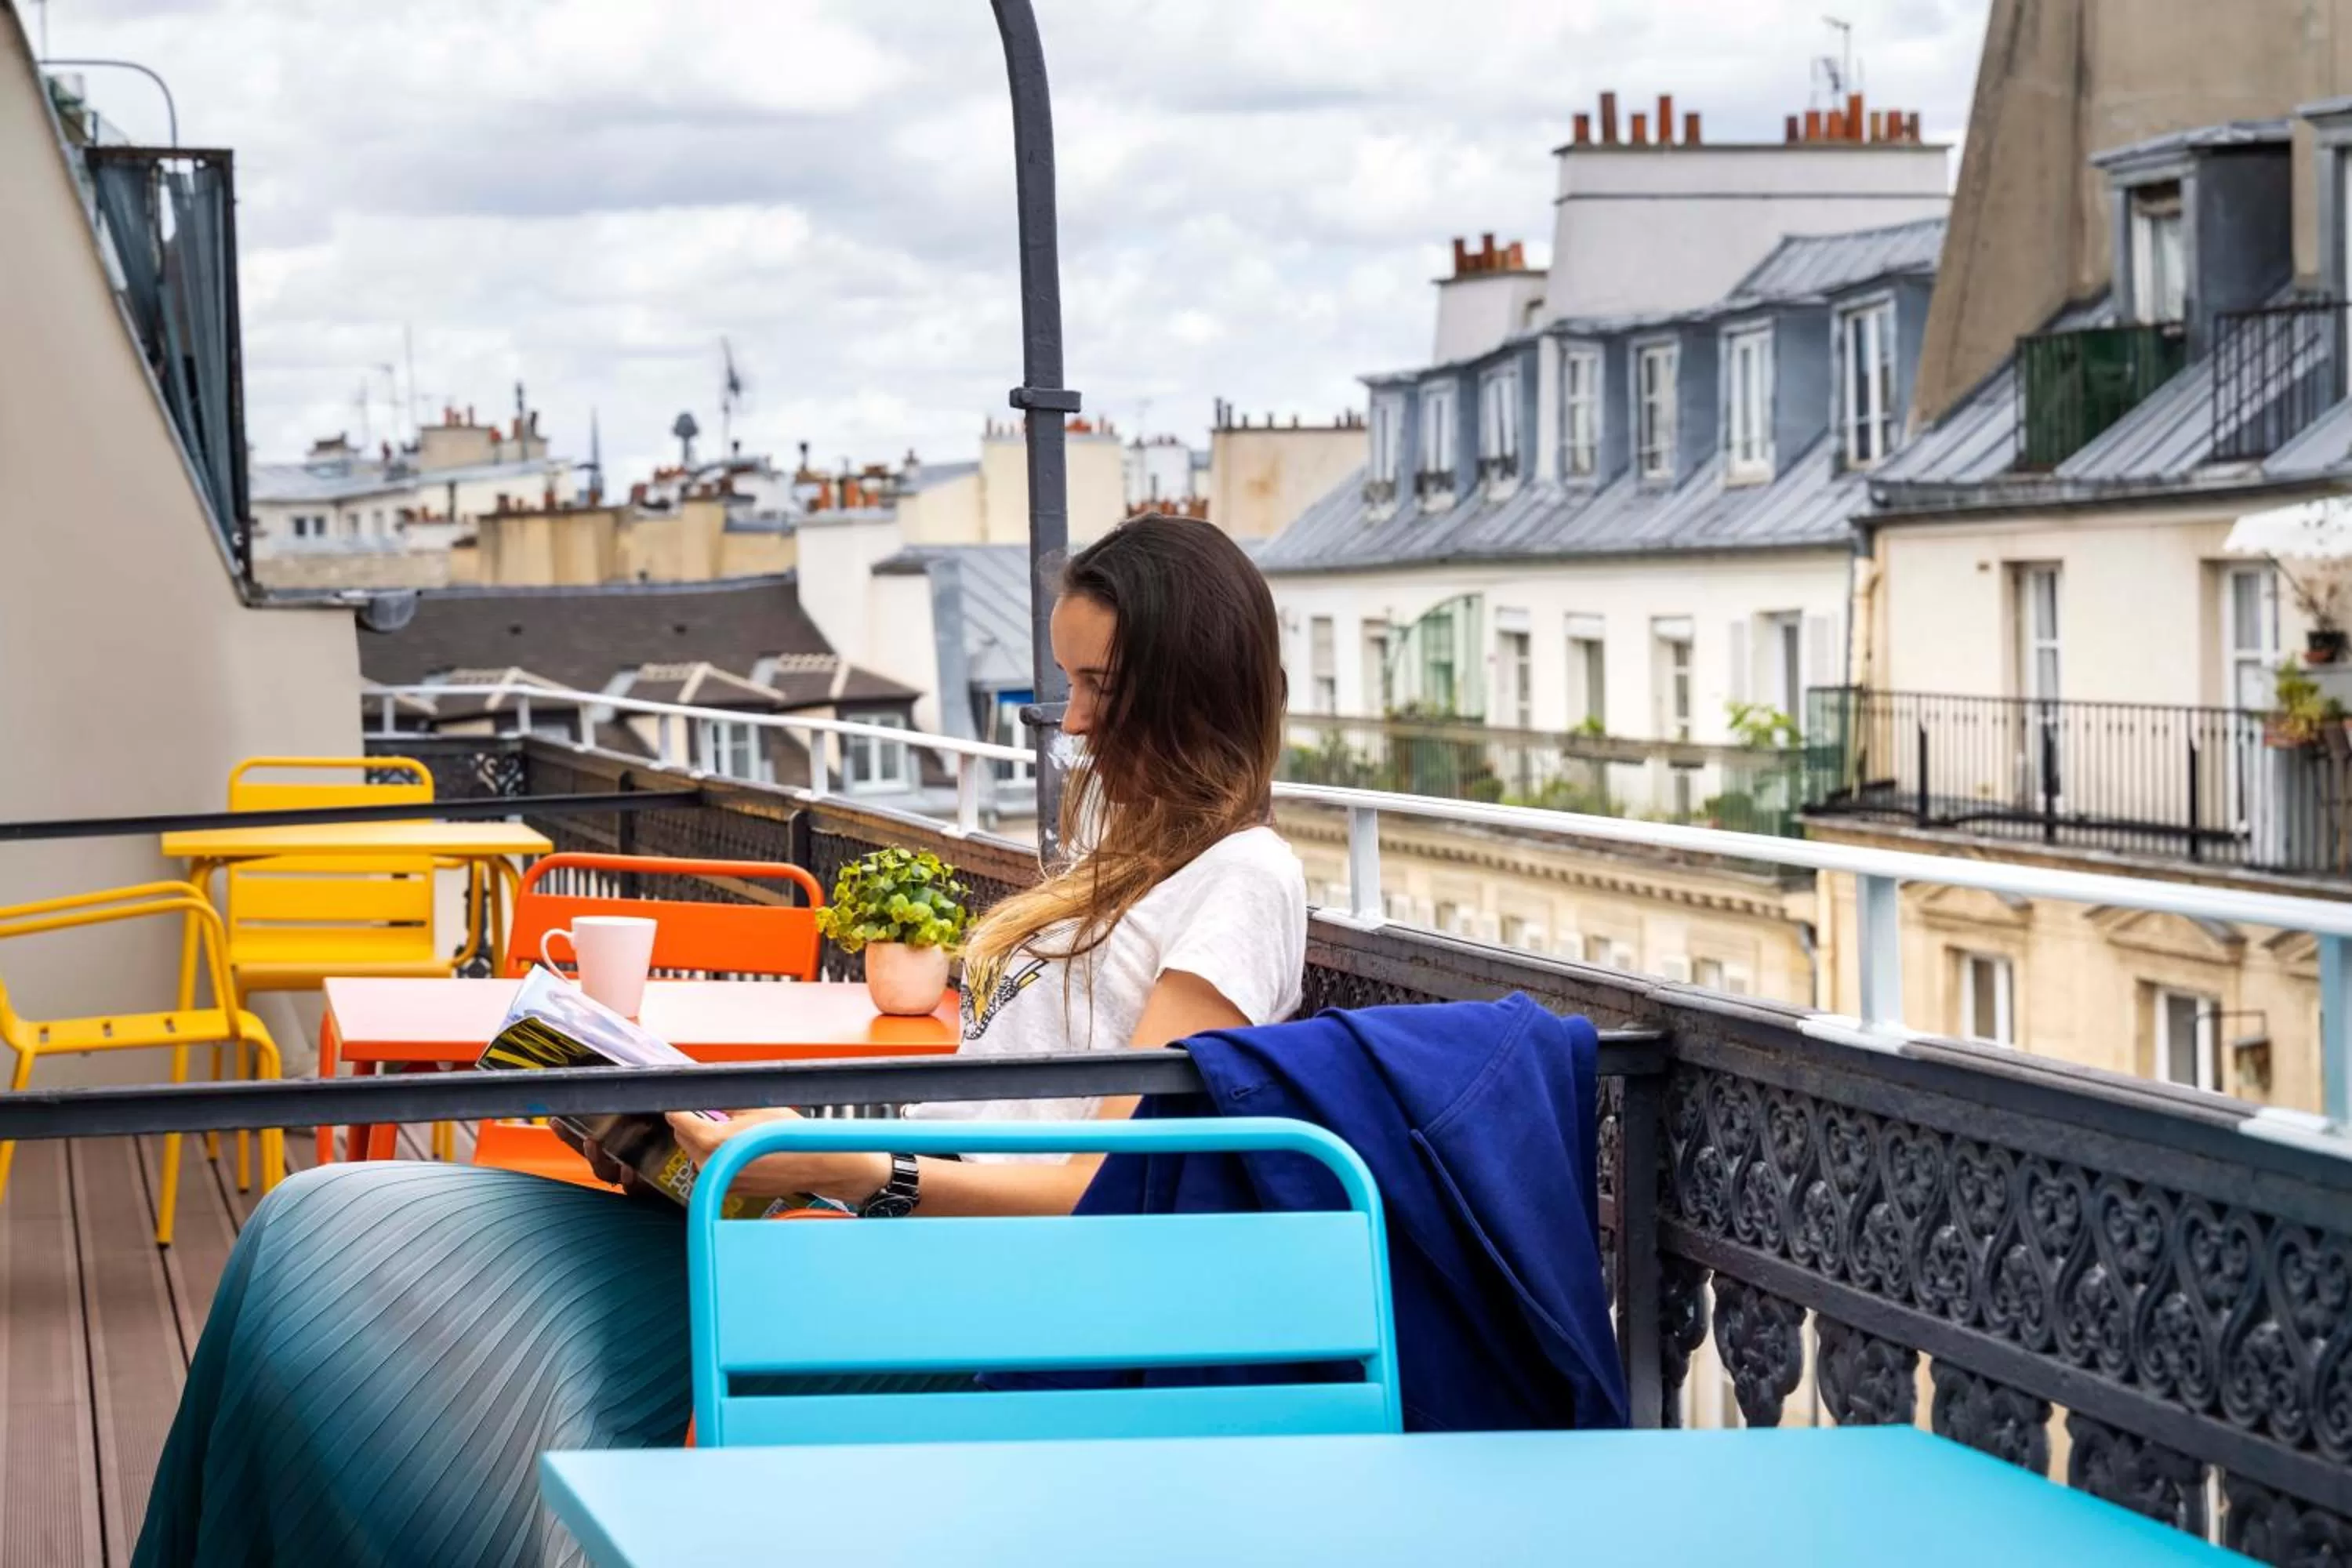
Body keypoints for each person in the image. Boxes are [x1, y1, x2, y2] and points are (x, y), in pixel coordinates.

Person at [133, 513, 1309, 1568]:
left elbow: (1099, 1199)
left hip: (967, 1303)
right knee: (304, 1232)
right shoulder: (1123, 864)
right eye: (1070, 683)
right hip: (867, 1235)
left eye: (1103, 686)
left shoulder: (1244, 879)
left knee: (334, 1270)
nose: (1079, 722)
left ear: (1195, 687)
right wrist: (694, 1148)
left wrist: (850, 1168)